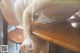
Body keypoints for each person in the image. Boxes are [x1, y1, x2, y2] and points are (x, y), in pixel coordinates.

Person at [14, 0, 80, 53]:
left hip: (47, 16)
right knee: (34, 47)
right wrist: (27, 37)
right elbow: (26, 13)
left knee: (45, 46)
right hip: (23, 8)